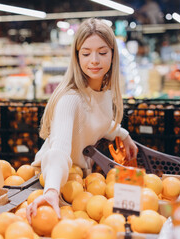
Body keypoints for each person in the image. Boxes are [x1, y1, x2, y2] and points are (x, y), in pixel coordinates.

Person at [26, 18, 138, 222]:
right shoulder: (70, 99)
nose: (94, 60)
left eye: (102, 52)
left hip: (79, 180)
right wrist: (51, 190)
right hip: (55, 181)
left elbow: (99, 121)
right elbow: (59, 148)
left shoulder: (102, 91)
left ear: (113, 55)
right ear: (76, 57)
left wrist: (124, 135)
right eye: (86, 53)